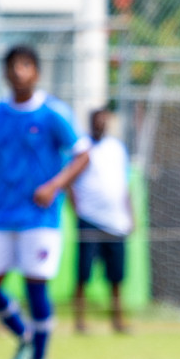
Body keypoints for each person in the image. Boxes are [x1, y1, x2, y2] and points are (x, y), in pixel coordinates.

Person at [0, 46, 90, 359]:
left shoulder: (54, 113)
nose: (19, 72)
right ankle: (24, 335)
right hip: (2, 214)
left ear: (36, 72)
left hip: (40, 216)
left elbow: (82, 155)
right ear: (5, 73)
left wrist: (55, 185)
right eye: (13, 66)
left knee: (36, 284)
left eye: (26, 65)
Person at [70, 107, 134, 334]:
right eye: (96, 121)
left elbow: (125, 184)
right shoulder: (81, 148)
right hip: (89, 219)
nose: (100, 125)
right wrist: (76, 210)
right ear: (90, 123)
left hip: (116, 221)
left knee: (116, 276)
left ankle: (118, 320)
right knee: (83, 274)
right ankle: (79, 321)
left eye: (104, 121)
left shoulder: (117, 148)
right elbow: (68, 180)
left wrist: (130, 214)